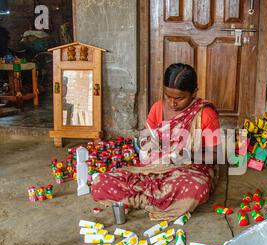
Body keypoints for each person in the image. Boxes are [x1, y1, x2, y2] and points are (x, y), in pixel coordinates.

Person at [91, 63, 221, 221]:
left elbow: (215, 155)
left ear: (194, 93)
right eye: (168, 96)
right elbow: (146, 139)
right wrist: (149, 146)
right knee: (100, 182)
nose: (172, 103)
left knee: (195, 189)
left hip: (187, 171)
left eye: (179, 98)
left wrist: (187, 154)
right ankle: (157, 200)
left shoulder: (205, 114)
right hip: (153, 169)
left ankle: (140, 199)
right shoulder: (158, 108)